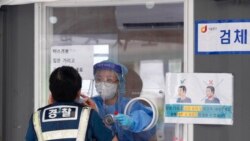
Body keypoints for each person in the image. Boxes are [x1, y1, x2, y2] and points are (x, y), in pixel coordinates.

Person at [25, 66, 117, 141]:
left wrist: (50, 108)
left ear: (51, 92)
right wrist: (95, 112)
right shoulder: (89, 115)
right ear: (78, 92)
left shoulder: (36, 117)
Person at [90, 60, 155, 141]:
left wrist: (132, 122)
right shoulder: (91, 103)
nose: (103, 84)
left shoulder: (129, 105)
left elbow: (149, 117)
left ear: (119, 83)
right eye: (99, 79)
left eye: (109, 80)